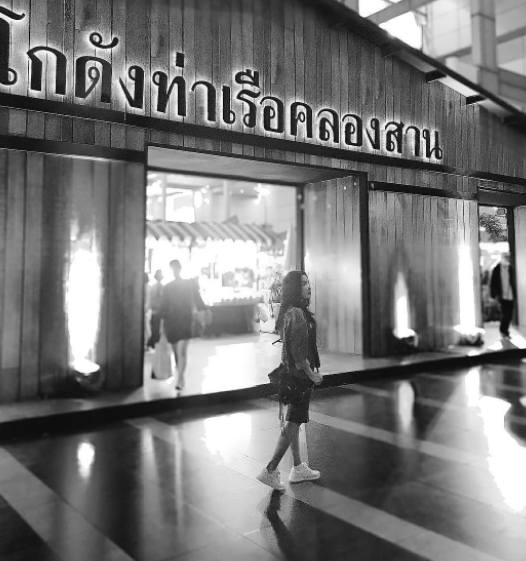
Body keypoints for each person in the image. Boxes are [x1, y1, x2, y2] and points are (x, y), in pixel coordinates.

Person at [257, 271, 322, 491]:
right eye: (303, 283)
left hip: (292, 376)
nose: (308, 286)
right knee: (293, 423)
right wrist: (312, 374)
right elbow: (299, 354)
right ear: (294, 288)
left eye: (308, 282)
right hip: (300, 377)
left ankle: (297, 466)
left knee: (293, 421)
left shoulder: (291, 311)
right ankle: (270, 469)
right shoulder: (297, 314)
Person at [160, 259, 207, 390]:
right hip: (173, 322)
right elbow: (163, 308)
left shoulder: (187, 285)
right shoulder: (169, 287)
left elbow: (198, 300)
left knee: (181, 351)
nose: (174, 271)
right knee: (177, 352)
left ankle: (180, 378)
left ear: (179, 269)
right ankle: (179, 374)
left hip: (184, 321)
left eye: (176, 268)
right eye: (172, 269)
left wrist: (204, 310)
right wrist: (162, 327)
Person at [490, 251, 515, 337]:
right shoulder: (496, 269)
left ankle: (505, 330)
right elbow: (493, 282)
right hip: (502, 295)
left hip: (510, 295)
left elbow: (512, 281)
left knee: (510, 314)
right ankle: (503, 330)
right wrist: (494, 295)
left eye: (508, 257)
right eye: (506, 257)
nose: (508, 259)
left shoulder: (510, 268)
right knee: (505, 314)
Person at [147, 269, 164, 351]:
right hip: (157, 311)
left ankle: (153, 343)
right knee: (156, 329)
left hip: (155, 311)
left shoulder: (154, 287)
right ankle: (153, 343)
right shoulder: (159, 287)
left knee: (155, 328)